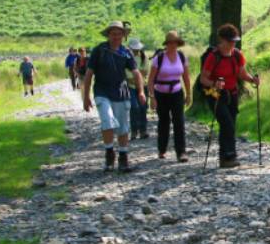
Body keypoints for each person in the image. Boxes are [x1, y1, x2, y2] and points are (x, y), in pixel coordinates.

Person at [82, 21, 146, 173]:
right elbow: (89, 73)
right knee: (107, 120)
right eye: (113, 33)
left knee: (123, 127)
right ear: (108, 35)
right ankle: (109, 154)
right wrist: (86, 96)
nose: (116, 36)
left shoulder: (126, 52)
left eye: (119, 34)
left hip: (121, 93)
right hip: (102, 92)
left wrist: (141, 91)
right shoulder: (99, 50)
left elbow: (136, 73)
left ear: (123, 36)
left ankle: (123, 157)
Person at [199, 23, 259, 168]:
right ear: (222, 40)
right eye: (230, 41)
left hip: (232, 94)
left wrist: (252, 80)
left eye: (234, 41)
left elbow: (241, 73)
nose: (233, 43)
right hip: (214, 94)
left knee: (229, 124)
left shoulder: (237, 55)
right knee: (227, 124)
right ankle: (229, 156)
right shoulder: (213, 57)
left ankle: (225, 158)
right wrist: (214, 84)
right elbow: (203, 79)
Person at [148, 31, 192, 162]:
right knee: (164, 121)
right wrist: (152, 97)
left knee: (179, 121)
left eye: (175, 43)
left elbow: (186, 77)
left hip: (177, 93)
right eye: (170, 43)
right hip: (161, 94)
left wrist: (189, 94)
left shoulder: (182, 57)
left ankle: (181, 152)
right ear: (166, 44)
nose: (173, 45)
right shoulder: (159, 58)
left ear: (178, 44)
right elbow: (150, 80)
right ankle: (162, 149)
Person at [127, 38, 150, 140]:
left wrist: (135, 76)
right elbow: (127, 73)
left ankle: (143, 130)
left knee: (143, 108)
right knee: (134, 107)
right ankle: (134, 131)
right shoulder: (126, 57)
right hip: (130, 87)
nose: (136, 50)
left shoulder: (144, 57)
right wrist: (135, 76)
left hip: (143, 86)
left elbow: (145, 72)